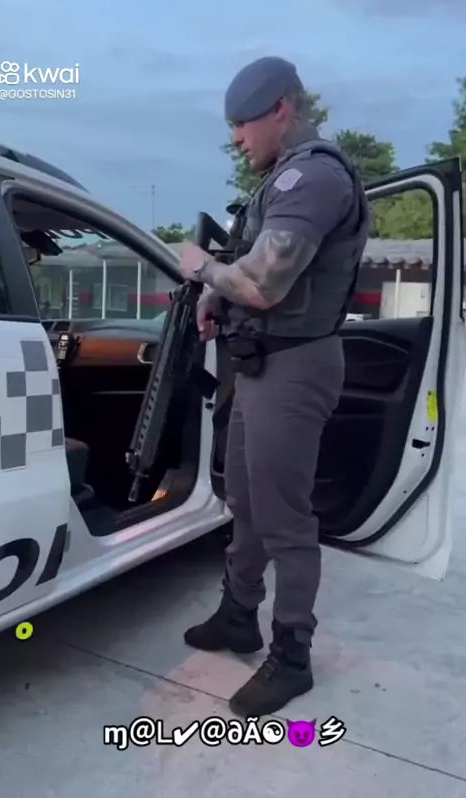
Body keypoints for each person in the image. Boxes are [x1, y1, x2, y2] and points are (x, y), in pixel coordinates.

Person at [179, 56, 371, 717]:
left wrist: (202, 269)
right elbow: (253, 275)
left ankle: (292, 655)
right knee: (246, 500)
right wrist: (217, 295)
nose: (237, 139)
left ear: (281, 110)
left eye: (242, 125)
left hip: (295, 367)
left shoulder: (312, 177)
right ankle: (240, 614)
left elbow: (264, 283)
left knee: (285, 517)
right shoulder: (281, 180)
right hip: (261, 364)